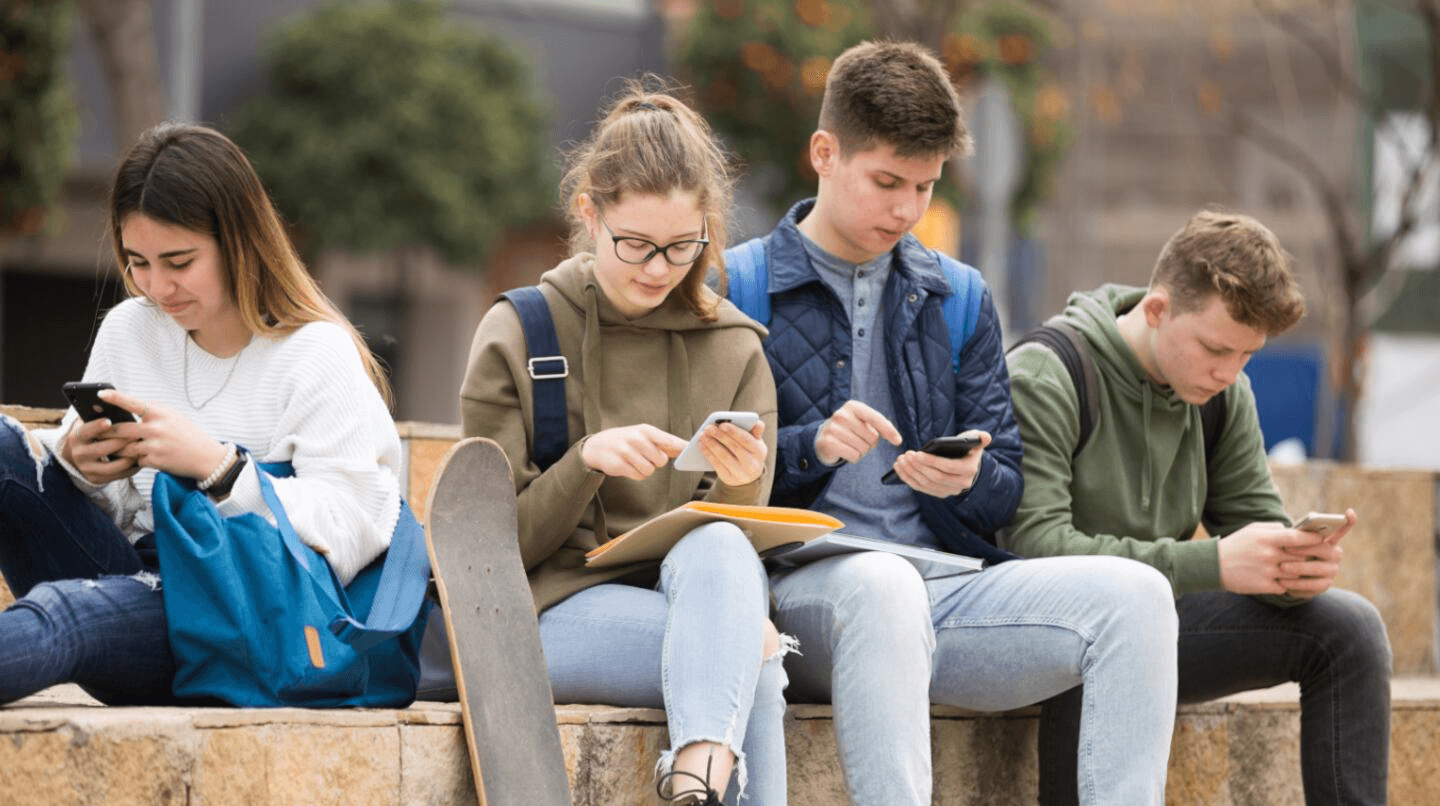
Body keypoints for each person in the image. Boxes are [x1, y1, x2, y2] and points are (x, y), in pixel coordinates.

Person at [724, 40, 1178, 805]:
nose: (906, 210)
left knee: (1138, 598)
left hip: (943, 592)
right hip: (796, 602)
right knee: (880, 586)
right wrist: (811, 447)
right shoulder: (740, 287)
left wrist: (968, 478)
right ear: (824, 154)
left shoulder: (958, 295)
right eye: (886, 181)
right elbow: (707, 476)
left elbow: (1005, 487)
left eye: (926, 187)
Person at [459, 83, 788, 806]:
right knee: (750, 656)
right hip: (552, 607)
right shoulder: (523, 333)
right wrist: (585, 462)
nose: (658, 269)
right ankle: (702, 780)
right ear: (588, 213)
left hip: (694, 595)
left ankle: (695, 780)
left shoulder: (734, 347)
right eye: (635, 244)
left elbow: (739, 548)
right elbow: (487, 548)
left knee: (724, 558)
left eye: (681, 247)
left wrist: (737, 483)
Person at [0, 124, 404, 706]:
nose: (157, 286)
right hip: (128, 576)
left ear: (239, 242)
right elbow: (105, 513)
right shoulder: (131, 329)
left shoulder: (316, 353)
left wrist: (220, 469)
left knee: (67, 612)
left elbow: (355, 531)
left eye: (179, 261)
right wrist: (83, 465)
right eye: (138, 261)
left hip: (235, 615)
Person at [1005, 210, 1393, 805]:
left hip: (1159, 625)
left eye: (1246, 356)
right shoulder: (1048, 373)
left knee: (1350, 629)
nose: (1229, 372)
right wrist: (1211, 564)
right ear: (1157, 310)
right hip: (1046, 635)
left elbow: (1252, 530)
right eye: (1215, 349)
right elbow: (1033, 549)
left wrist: (1292, 568)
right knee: (1113, 638)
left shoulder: (1222, 391)